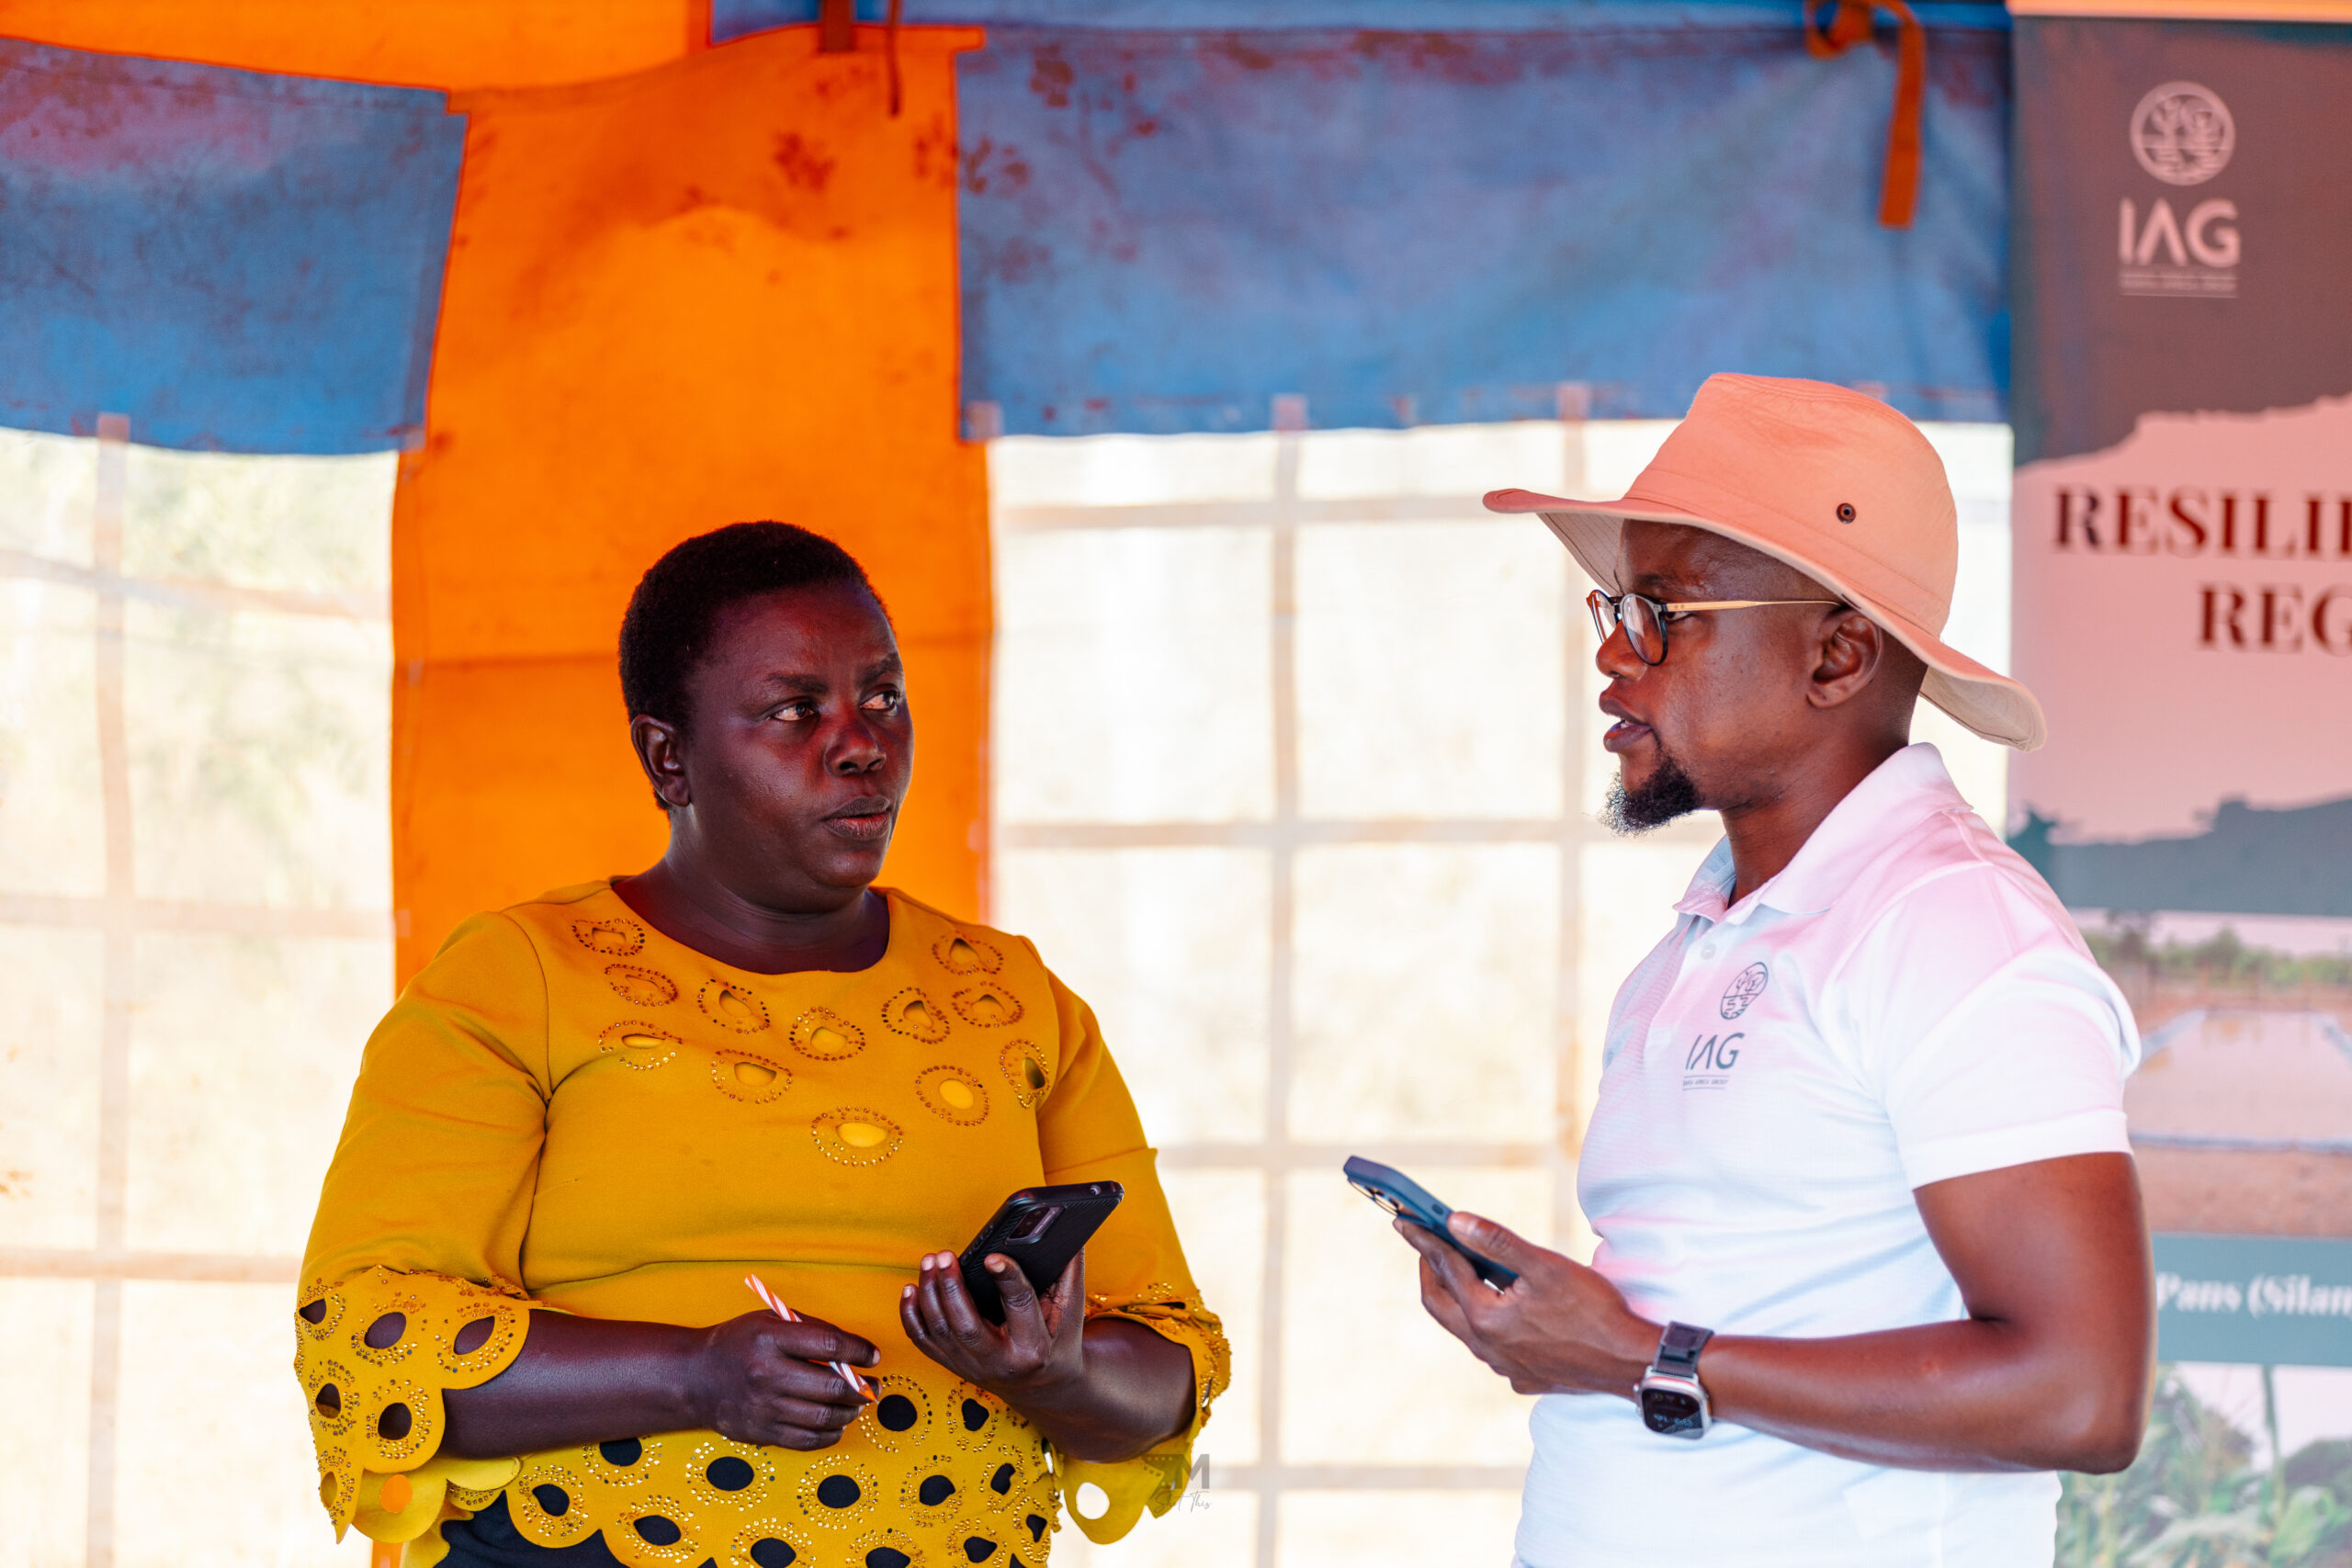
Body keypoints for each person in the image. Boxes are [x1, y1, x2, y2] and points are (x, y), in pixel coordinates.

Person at [295, 523, 1227, 1568]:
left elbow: (1169, 1365)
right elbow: (367, 1336)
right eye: (796, 711)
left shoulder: (1016, 998)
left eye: (882, 696)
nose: (860, 741)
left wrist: (1049, 1374)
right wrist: (695, 1377)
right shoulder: (518, 978)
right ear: (668, 759)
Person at [1405, 375, 2150, 1567]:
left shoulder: (1952, 925)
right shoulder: (1700, 937)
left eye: (1664, 610)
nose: (1611, 650)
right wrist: (1589, 1337)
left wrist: (1643, 1357)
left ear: (1838, 652)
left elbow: (2079, 1392)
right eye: (1611, 602)